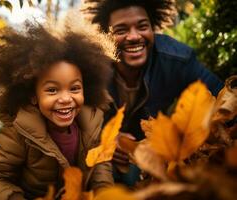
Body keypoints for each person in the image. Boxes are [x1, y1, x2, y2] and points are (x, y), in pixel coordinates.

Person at [0, 16, 115, 199]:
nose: (66, 98)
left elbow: (100, 163)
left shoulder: (91, 124)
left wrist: (103, 190)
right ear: (34, 96)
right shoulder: (20, 133)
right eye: (52, 90)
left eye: (74, 88)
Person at [89, 0, 224, 186]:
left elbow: (224, 99)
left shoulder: (177, 59)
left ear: (153, 29)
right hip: (98, 154)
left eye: (142, 26)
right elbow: (73, 115)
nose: (134, 36)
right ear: (106, 36)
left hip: (151, 156)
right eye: (121, 30)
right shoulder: (91, 67)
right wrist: (107, 136)